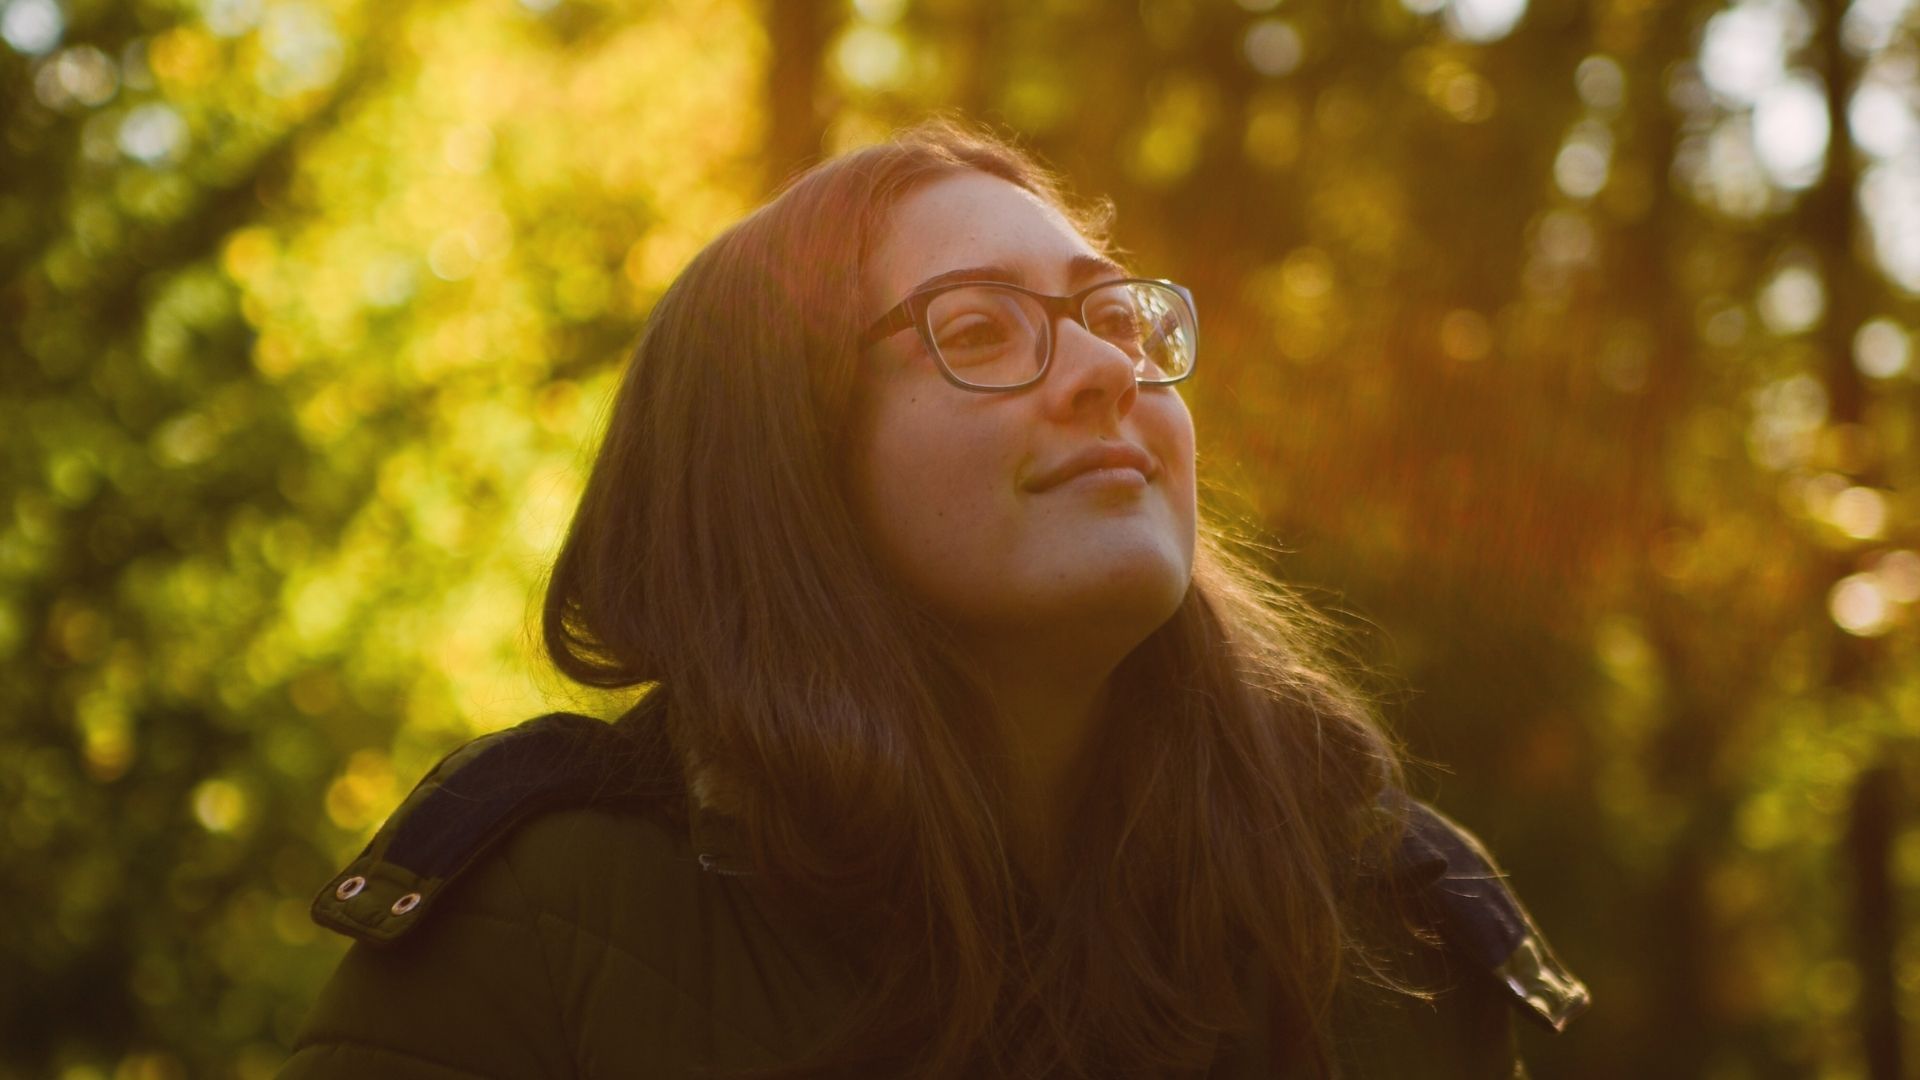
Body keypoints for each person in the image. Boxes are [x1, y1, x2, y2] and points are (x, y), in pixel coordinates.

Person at [279, 119, 1587, 1079]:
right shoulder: (541, 920)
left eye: (1120, 325)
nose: (1106, 372)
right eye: (976, 330)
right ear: (782, 469)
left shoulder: (1379, 924)